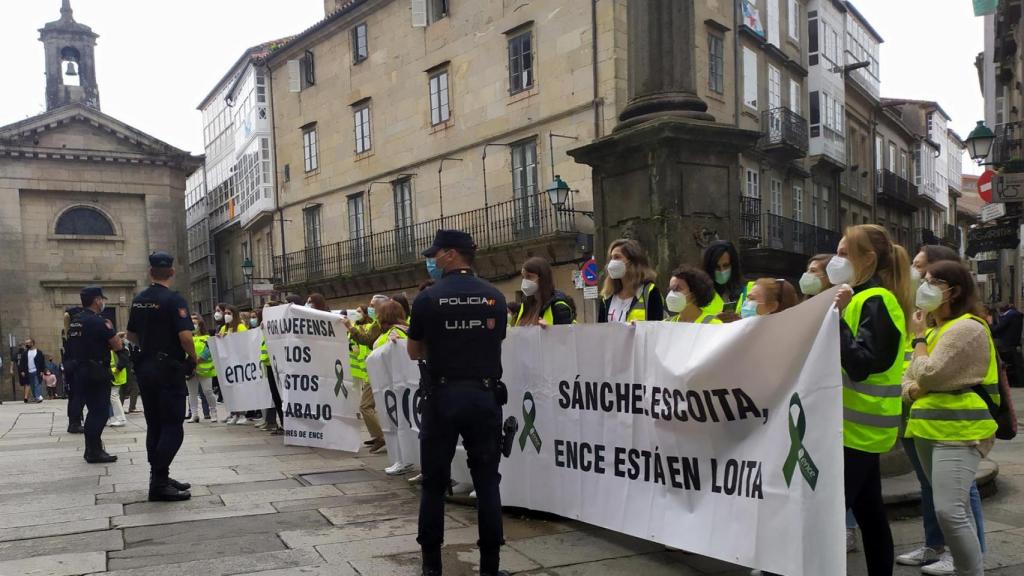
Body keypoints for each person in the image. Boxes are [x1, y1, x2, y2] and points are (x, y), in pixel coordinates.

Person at [408, 229, 509, 576]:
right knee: (487, 483)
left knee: (434, 484)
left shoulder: (428, 299)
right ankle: (490, 568)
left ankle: (432, 566)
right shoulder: (495, 297)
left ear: (452, 255)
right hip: (483, 396)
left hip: (442, 397)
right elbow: (496, 341)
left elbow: (413, 351)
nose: (433, 260)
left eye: (437, 254)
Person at [902, 260, 998, 576]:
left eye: (932, 281)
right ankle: (965, 567)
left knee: (949, 511)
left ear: (953, 291)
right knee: (956, 511)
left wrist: (918, 342)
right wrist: (917, 383)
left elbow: (927, 374)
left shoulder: (966, 327)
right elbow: (907, 381)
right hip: (928, 428)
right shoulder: (935, 330)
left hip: (959, 430)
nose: (924, 286)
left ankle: (971, 571)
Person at [832, 224, 913, 576]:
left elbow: (862, 365)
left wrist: (836, 321)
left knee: (830, 515)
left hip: (859, 429)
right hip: (855, 429)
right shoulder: (860, 297)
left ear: (868, 258)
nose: (837, 260)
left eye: (844, 253)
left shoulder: (875, 300)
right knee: (870, 514)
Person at [126, 252, 196, 502]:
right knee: (173, 425)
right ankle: (158, 482)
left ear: (150, 272)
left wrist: (149, 343)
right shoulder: (173, 300)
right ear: (172, 272)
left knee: (154, 424)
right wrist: (193, 358)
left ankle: (160, 475)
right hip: (168, 369)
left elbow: (131, 334)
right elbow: (186, 337)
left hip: (145, 368)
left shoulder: (139, 300)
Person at [65, 286, 124, 463]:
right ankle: (93, 450)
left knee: (92, 410)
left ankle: (92, 448)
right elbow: (116, 344)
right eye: (101, 299)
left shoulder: (75, 322)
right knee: (99, 412)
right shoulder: (99, 321)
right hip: (97, 371)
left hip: (80, 371)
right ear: (97, 300)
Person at [343, 295, 391, 454]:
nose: (369, 307)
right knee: (372, 406)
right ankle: (379, 435)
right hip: (373, 370)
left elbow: (367, 339)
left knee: (365, 406)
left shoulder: (383, 324)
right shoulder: (378, 323)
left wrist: (351, 328)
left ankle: (381, 437)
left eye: (372, 305)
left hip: (378, 371)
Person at [598, 239, 663, 323]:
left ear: (632, 261)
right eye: (611, 258)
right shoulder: (607, 296)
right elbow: (601, 331)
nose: (612, 262)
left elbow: (657, 328)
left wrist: (641, 327)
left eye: (617, 257)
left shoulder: (650, 292)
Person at [514, 257, 574, 326]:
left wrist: (549, 330)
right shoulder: (525, 304)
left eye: (529, 276)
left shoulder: (559, 307)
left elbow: (567, 335)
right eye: (523, 277)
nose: (525, 281)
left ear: (543, 278)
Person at [701, 240, 752, 320]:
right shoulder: (698, 295)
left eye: (726, 265)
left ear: (733, 265)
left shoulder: (748, 290)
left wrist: (740, 321)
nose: (722, 271)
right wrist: (714, 320)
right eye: (717, 267)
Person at [218, 304, 249, 424]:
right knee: (231, 390)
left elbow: (244, 342)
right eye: (225, 313)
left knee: (240, 389)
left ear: (234, 315)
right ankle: (235, 414)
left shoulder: (240, 327)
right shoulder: (223, 328)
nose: (226, 316)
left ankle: (242, 414)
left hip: (239, 363)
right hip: (228, 363)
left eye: (229, 313)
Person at [256, 302, 284, 435]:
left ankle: (287, 423)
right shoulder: (263, 327)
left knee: (282, 396)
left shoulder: (281, 323)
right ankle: (282, 424)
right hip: (269, 366)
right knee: (276, 396)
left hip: (280, 367)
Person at [187, 315, 219, 424]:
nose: (193, 325)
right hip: (190, 370)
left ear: (200, 325)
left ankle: (213, 411)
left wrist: (197, 360)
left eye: (195, 323)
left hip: (205, 369)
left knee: (208, 391)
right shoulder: (186, 338)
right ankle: (194, 414)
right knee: (192, 393)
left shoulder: (207, 337)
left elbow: (208, 351)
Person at [18, 338, 47, 403]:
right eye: (26, 343)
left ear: (32, 343)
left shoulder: (39, 352)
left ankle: (38, 397)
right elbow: (22, 363)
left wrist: (42, 371)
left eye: (28, 343)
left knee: (37, 384)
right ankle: (36, 397)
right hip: (28, 372)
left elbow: (42, 362)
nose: (27, 344)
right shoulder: (25, 353)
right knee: (32, 385)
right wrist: (22, 371)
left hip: (37, 371)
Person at [108, 345, 129, 427]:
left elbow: (123, 358)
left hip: (115, 375)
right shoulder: (114, 347)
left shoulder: (114, 347)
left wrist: (118, 369)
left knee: (113, 396)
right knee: (111, 396)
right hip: (114, 374)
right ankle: (116, 418)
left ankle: (121, 419)